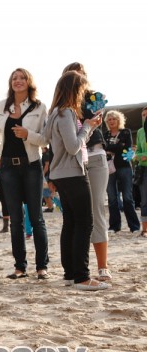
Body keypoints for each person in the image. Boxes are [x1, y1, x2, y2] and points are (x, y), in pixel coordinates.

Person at [42, 71, 109, 291]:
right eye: (82, 89)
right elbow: (73, 147)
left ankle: (71, 274)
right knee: (84, 222)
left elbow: (60, 143)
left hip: (61, 173)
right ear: (75, 90)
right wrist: (87, 127)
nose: (83, 94)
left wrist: (90, 127)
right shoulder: (66, 113)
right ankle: (81, 276)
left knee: (70, 222)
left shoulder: (54, 113)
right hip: (72, 173)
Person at [0, 68, 50, 279]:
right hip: (7, 167)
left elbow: (45, 139)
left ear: (29, 82)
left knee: (36, 217)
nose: (18, 81)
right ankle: (20, 267)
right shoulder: (0, 106)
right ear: (10, 83)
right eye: (14, 78)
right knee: (15, 219)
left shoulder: (40, 107)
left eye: (22, 77)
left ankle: (41, 267)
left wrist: (27, 134)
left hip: (31, 165)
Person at [61, 62, 111, 281]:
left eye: (81, 74)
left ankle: (102, 267)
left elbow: (95, 122)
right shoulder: (62, 106)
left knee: (96, 209)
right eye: (73, 74)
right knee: (75, 215)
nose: (79, 77)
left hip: (95, 155)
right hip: (73, 160)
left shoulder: (94, 98)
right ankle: (76, 269)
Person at [104, 110, 140, 233]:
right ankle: (114, 226)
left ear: (119, 120)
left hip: (124, 167)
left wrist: (112, 149)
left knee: (127, 197)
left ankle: (134, 226)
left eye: (114, 119)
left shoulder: (126, 132)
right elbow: (104, 148)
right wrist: (119, 146)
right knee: (112, 198)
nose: (111, 121)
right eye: (109, 119)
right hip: (109, 168)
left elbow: (127, 148)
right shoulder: (105, 134)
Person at [136, 107, 147, 237]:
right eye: (143, 115)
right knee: (144, 200)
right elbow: (138, 150)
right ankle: (144, 229)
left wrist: (145, 155)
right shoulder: (140, 132)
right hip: (143, 169)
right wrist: (140, 156)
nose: (145, 117)